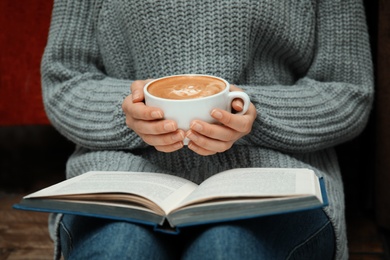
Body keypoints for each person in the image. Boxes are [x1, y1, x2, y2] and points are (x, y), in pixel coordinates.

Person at [41, 0, 374, 259]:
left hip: (274, 178)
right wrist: (128, 112)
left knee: (225, 248)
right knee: (120, 248)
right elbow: (65, 81)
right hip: (123, 175)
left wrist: (250, 113)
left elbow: (347, 91)